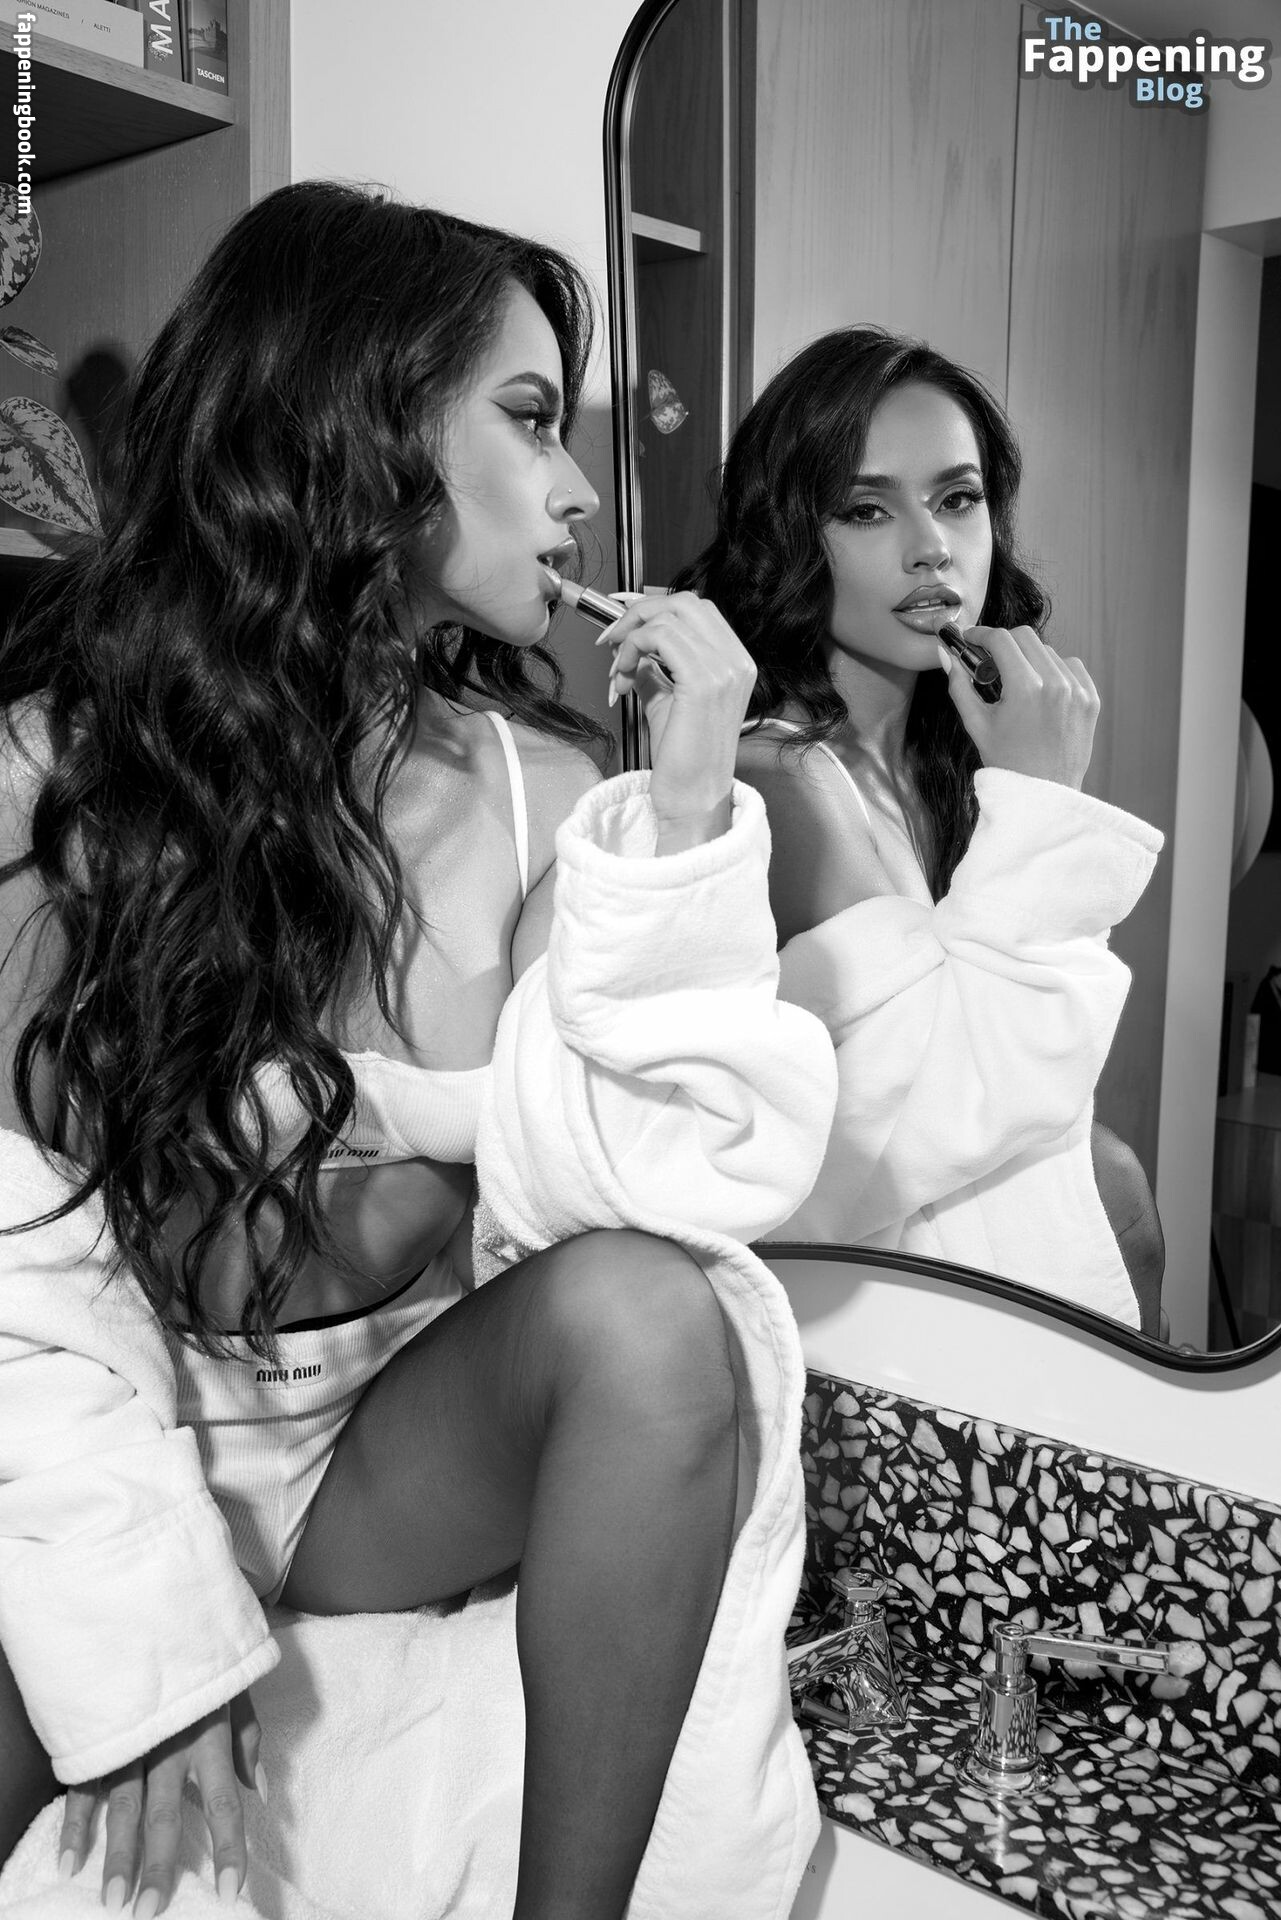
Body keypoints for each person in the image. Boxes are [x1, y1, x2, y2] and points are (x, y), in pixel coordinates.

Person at [0, 182, 837, 1920]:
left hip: (372, 1452)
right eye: (528, 420)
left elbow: (650, 1184)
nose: (581, 489)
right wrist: (140, 1636)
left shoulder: (553, 794)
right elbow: (8, 1246)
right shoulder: (54, 771)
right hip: (118, 1405)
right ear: (357, 428)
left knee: (655, 1316)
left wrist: (688, 813)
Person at [674, 325, 1165, 1332]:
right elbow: (958, 1098)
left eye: (957, 498)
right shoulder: (781, 778)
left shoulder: (948, 760)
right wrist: (1045, 801)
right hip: (846, 1308)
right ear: (787, 538)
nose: (931, 546)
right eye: (866, 509)